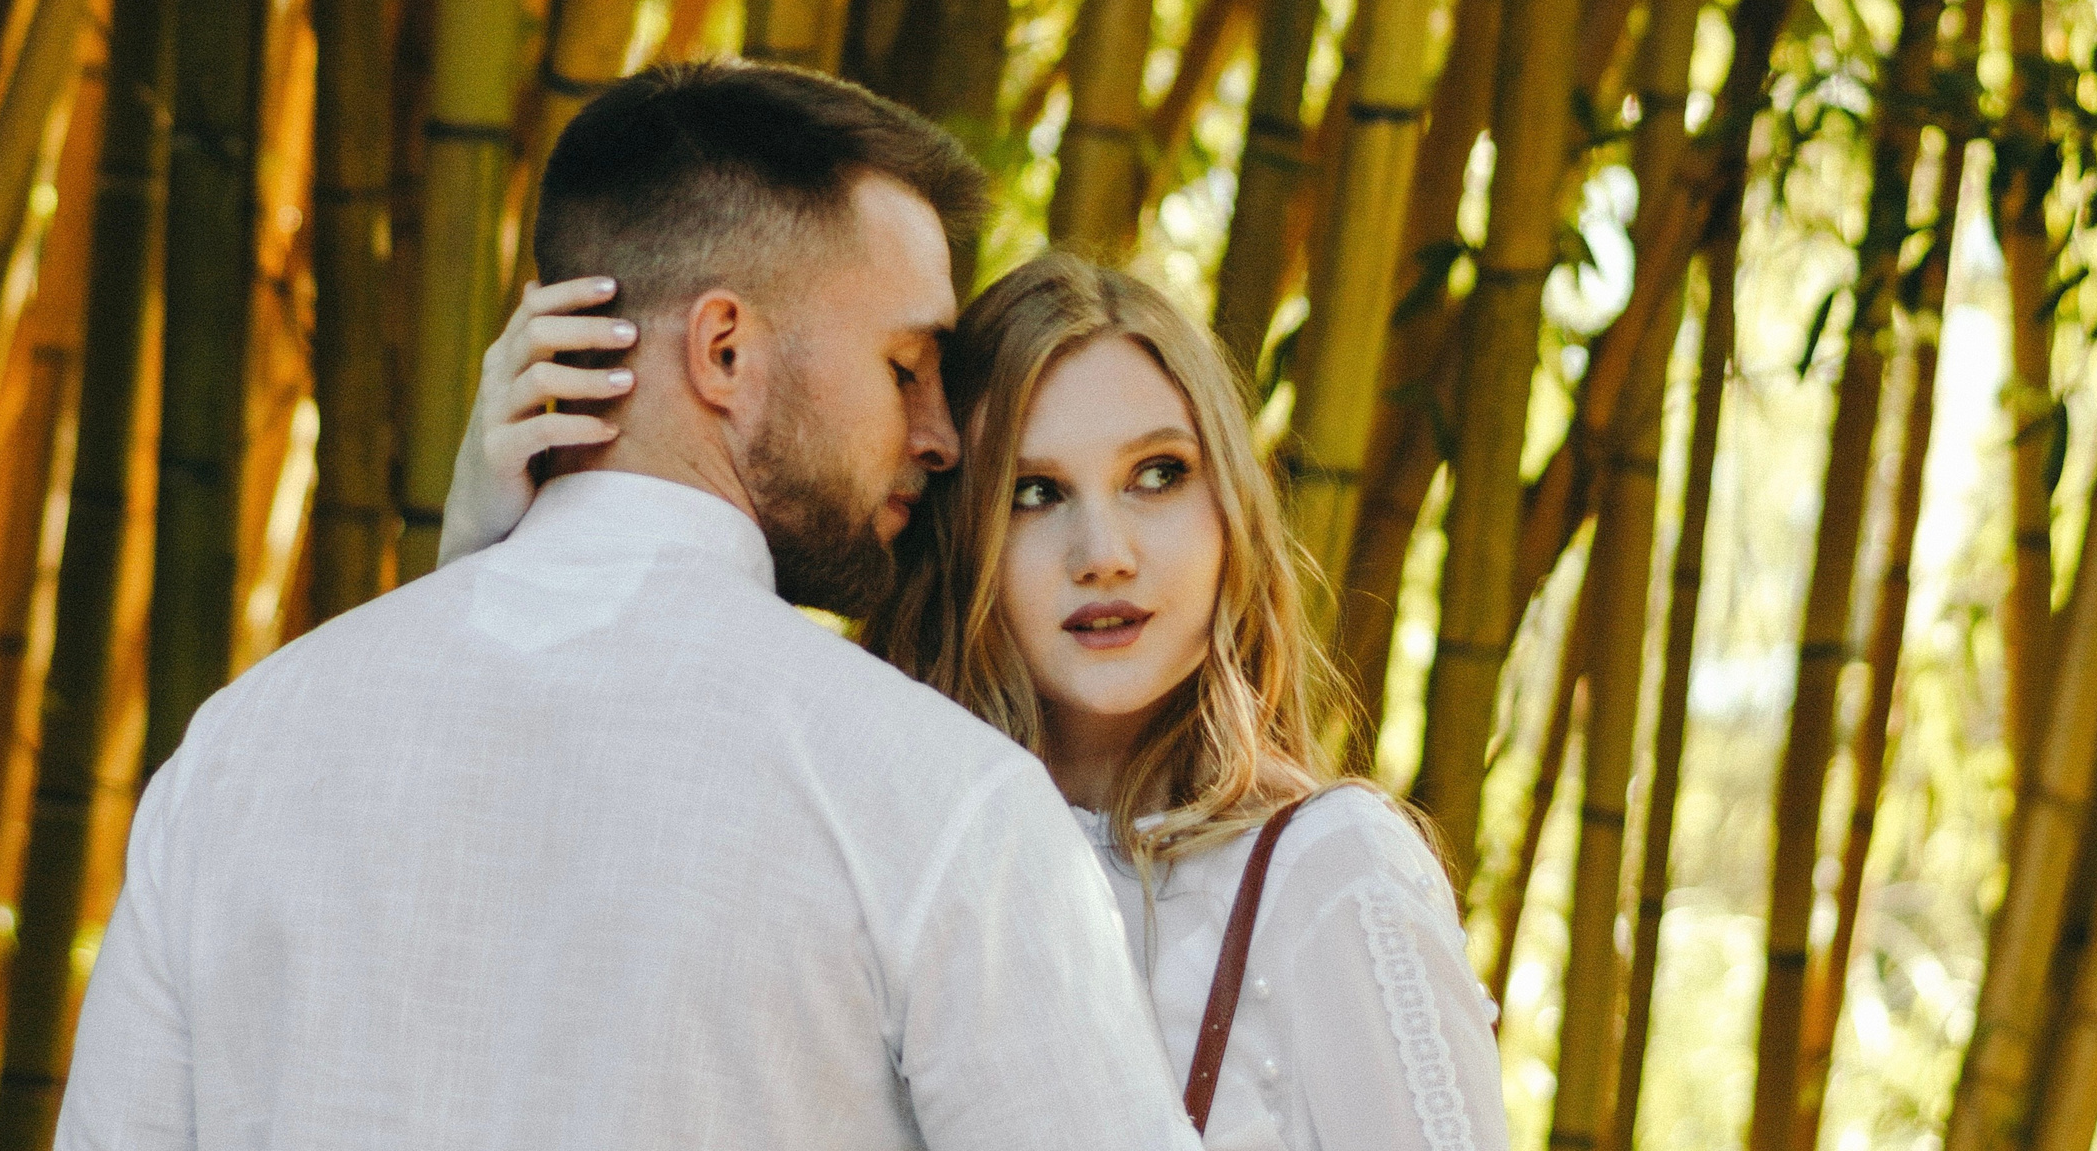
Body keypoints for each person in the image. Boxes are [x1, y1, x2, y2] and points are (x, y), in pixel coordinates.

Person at [55, 62, 1206, 1151]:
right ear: (723, 351)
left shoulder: (238, 758)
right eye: (906, 367)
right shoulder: (932, 800)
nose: (942, 437)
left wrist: (465, 566)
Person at [452, 252, 1512, 1150]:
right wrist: (480, 555)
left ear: (1231, 505)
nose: (1105, 555)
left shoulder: (1329, 875)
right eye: (1034, 493)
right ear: (958, 537)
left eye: (1157, 474)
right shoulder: (861, 859)